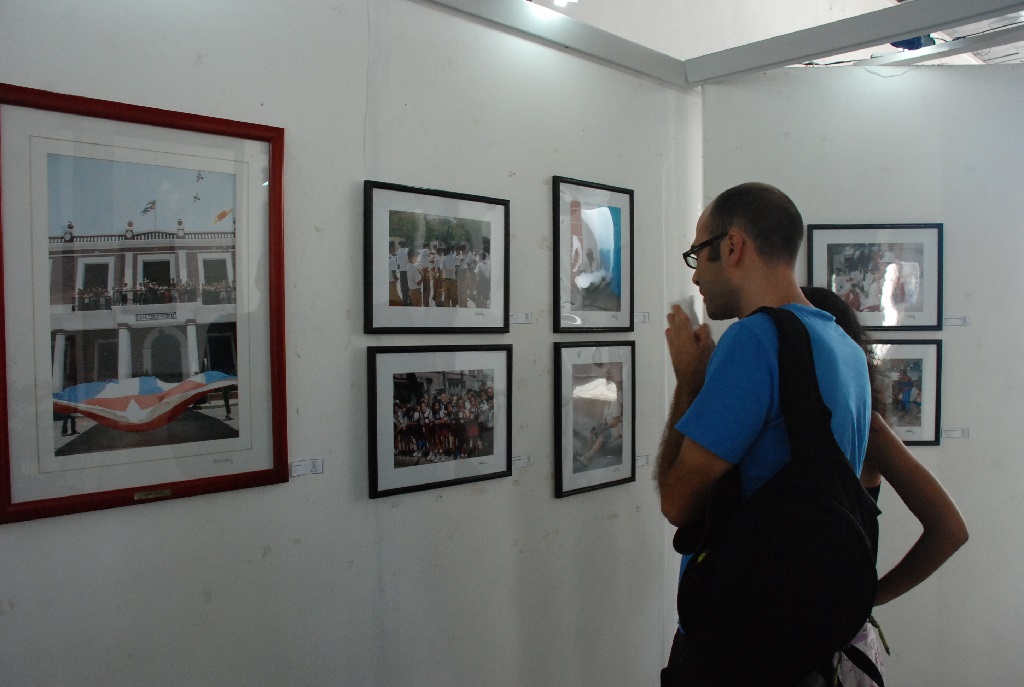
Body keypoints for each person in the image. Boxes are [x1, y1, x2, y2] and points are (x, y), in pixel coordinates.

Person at [656, 183, 873, 684]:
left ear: (733, 246)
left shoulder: (753, 341)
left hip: (741, 637)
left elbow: (678, 503)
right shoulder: (845, 347)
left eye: (698, 254)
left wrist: (689, 383)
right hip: (807, 635)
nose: (696, 275)